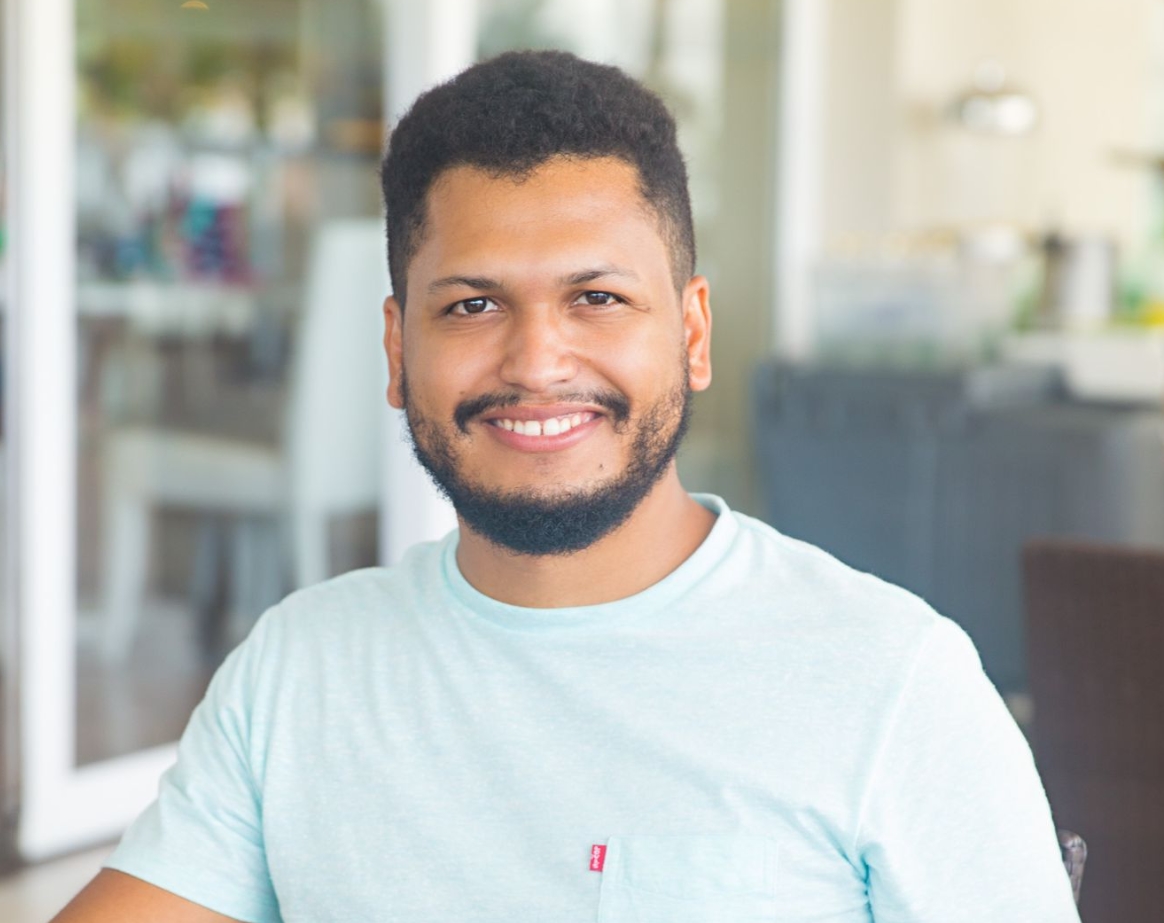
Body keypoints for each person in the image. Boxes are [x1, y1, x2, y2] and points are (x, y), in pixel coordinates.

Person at [55, 50, 1079, 922]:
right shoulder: (300, 669)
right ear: (397, 349)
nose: (537, 362)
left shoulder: (891, 681)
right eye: (471, 305)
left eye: (597, 297)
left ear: (692, 333)